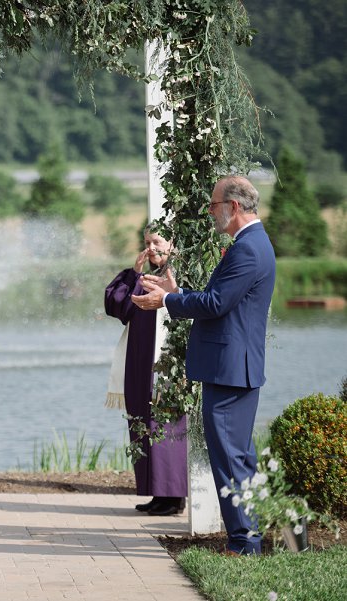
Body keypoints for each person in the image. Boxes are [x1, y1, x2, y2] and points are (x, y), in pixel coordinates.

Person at [132, 176, 275, 555]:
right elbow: (218, 298)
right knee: (238, 455)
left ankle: (244, 542)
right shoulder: (251, 244)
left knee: (230, 457)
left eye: (214, 205)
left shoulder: (247, 249)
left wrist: (165, 302)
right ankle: (250, 536)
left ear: (234, 207)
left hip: (230, 369)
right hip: (233, 366)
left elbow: (215, 304)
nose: (210, 212)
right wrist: (176, 294)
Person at [105, 226, 187, 516]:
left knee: (167, 424)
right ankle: (156, 492)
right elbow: (118, 309)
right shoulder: (143, 277)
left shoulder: (177, 276)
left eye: (157, 242)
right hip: (140, 362)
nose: (151, 248)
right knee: (144, 422)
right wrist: (133, 273)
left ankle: (174, 495)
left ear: (172, 243)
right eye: (147, 243)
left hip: (165, 365)